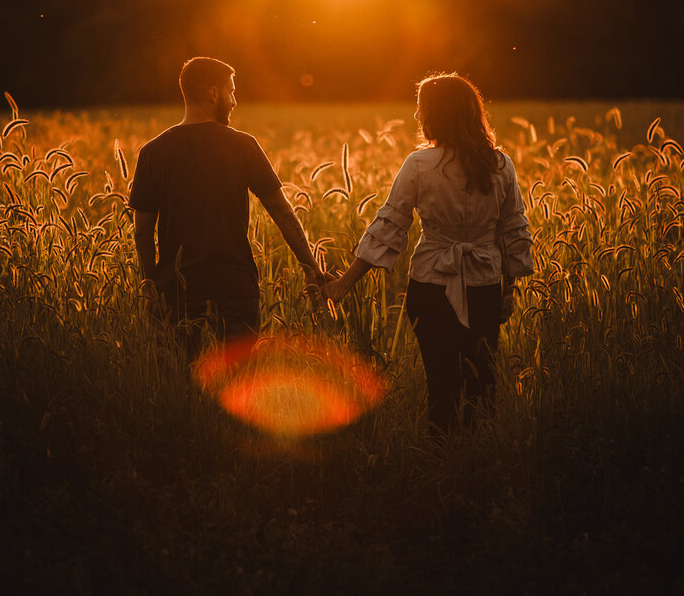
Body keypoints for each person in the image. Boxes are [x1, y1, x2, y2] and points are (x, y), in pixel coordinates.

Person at [322, 73, 534, 433]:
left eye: (421, 109)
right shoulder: (501, 165)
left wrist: (344, 283)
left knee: (441, 381)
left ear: (439, 113)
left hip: (431, 287)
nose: (417, 117)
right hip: (484, 287)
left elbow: (389, 225)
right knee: (483, 380)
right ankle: (479, 462)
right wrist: (509, 289)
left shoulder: (419, 165)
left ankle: (441, 462)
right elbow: (512, 232)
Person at [129, 56, 329, 361]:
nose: (235, 101)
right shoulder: (242, 145)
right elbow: (282, 212)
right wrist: (312, 269)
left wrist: (152, 289)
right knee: (239, 388)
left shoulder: (153, 152)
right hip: (235, 291)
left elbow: (142, 232)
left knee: (180, 389)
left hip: (177, 294)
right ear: (212, 93)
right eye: (231, 92)